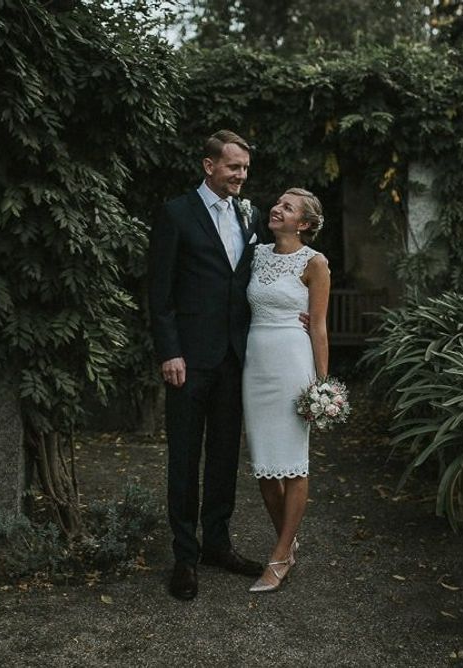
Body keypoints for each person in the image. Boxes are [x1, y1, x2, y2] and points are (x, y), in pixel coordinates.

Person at [148, 130, 268, 601]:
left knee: (222, 456)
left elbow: (255, 279)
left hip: (235, 360)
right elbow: (160, 293)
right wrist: (168, 351)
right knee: (184, 456)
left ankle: (218, 543)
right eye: (233, 167)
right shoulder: (176, 213)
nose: (240, 175)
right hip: (188, 360)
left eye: (244, 169)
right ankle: (185, 555)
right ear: (209, 165)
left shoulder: (251, 214)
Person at [242, 188, 330, 593]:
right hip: (255, 365)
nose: (277, 209)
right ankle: (287, 542)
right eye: (277, 203)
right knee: (263, 465)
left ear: (305, 224)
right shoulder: (256, 253)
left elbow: (318, 325)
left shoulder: (315, 263)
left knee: (293, 463)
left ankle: (279, 556)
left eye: (288, 207)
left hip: (293, 364)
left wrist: (322, 387)